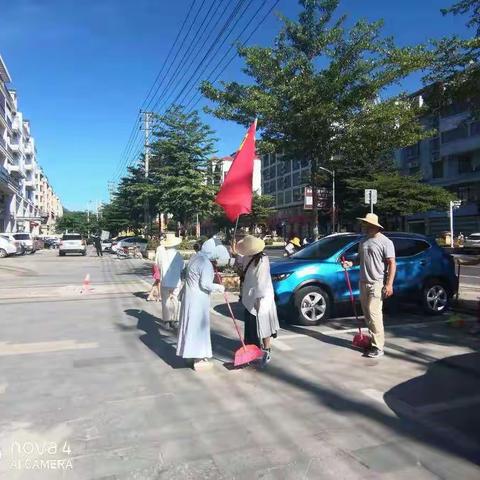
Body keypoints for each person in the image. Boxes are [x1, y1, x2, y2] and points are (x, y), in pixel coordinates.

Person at [342, 213, 396, 359]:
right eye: (364, 224)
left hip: (376, 283)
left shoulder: (385, 242)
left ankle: (378, 347)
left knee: (374, 314)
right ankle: (373, 342)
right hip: (363, 282)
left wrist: (389, 284)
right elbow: (360, 259)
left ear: (375, 226)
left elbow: (392, 263)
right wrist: (350, 263)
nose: (364, 226)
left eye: (367, 224)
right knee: (367, 315)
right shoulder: (363, 241)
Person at [176, 241, 225, 369]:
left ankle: (189, 354)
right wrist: (219, 287)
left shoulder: (195, 257)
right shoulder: (205, 263)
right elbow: (205, 284)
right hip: (198, 299)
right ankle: (198, 357)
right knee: (198, 327)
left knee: (190, 326)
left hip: (190, 297)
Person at [233, 235, 279, 365]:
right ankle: (254, 348)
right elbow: (240, 271)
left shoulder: (263, 260)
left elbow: (262, 281)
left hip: (262, 297)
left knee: (264, 324)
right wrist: (235, 256)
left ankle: (267, 349)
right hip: (251, 295)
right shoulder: (246, 257)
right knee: (253, 325)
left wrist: (259, 297)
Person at [155, 233, 184, 328]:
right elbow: (182, 267)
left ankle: (167, 320)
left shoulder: (161, 254)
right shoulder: (178, 255)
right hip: (176, 281)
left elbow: (158, 266)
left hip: (165, 280)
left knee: (165, 300)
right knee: (175, 300)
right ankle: (175, 320)